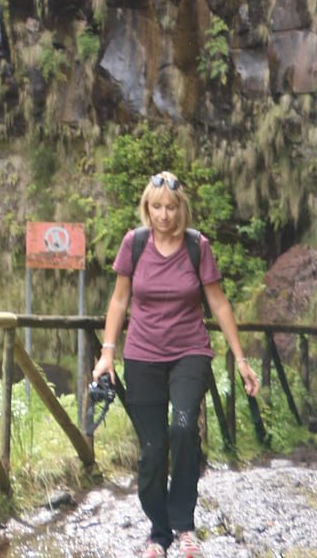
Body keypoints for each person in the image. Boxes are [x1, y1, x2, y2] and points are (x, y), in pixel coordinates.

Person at [92, 171, 260, 558]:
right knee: (152, 449)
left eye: (170, 207)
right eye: (156, 207)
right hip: (142, 355)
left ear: (181, 208)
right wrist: (107, 352)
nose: (163, 215)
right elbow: (119, 301)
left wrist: (240, 358)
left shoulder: (197, 246)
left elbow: (217, 303)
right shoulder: (134, 244)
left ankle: (183, 526)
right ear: (147, 208)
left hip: (189, 351)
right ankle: (158, 533)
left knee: (184, 429)